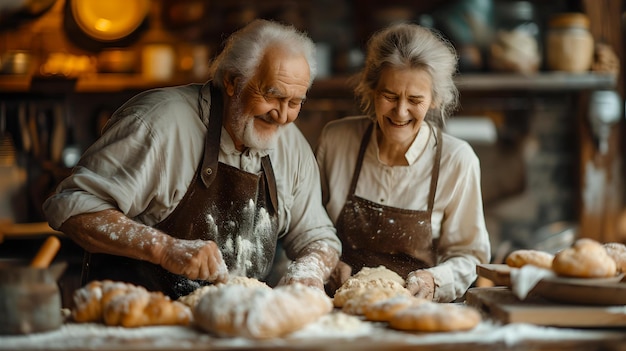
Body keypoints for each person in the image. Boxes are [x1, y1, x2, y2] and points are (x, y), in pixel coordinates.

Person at [43, 19, 341, 299]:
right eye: (272, 96)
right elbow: (74, 206)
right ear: (232, 82)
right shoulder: (158, 124)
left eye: (294, 102)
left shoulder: (290, 145)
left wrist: (309, 270)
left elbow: (318, 236)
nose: (282, 115)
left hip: (229, 327)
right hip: (138, 322)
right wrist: (164, 249)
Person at [316, 23, 491, 302]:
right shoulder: (337, 141)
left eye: (415, 99)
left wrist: (433, 280)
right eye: (390, 96)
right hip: (339, 309)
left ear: (434, 100)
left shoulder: (457, 160)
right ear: (372, 90)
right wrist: (328, 263)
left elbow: (469, 256)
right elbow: (312, 227)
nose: (400, 111)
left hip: (414, 312)